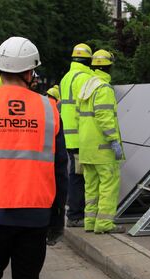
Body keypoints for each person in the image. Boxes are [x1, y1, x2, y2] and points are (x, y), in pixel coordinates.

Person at [0, 36, 68, 279]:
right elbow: (61, 167)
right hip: (35, 214)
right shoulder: (48, 109)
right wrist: (58, 216)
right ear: (30, 72)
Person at [78, 49, 125, 234]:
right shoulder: (103, 88)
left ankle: (90, 222)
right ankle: (104, 224)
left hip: (86, 148)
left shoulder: (87, 86)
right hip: (102, 148)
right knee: (108, 184)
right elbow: (104, 116)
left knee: (91, 187)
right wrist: (114, 140)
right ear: (109, 66)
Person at [60, 43, 93, 228]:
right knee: (78, 176)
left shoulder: (67, 77)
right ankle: (75, 215)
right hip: (82, 135)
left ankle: (74, 212)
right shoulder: (85, 78)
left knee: (75, 173)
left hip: (69, 135)